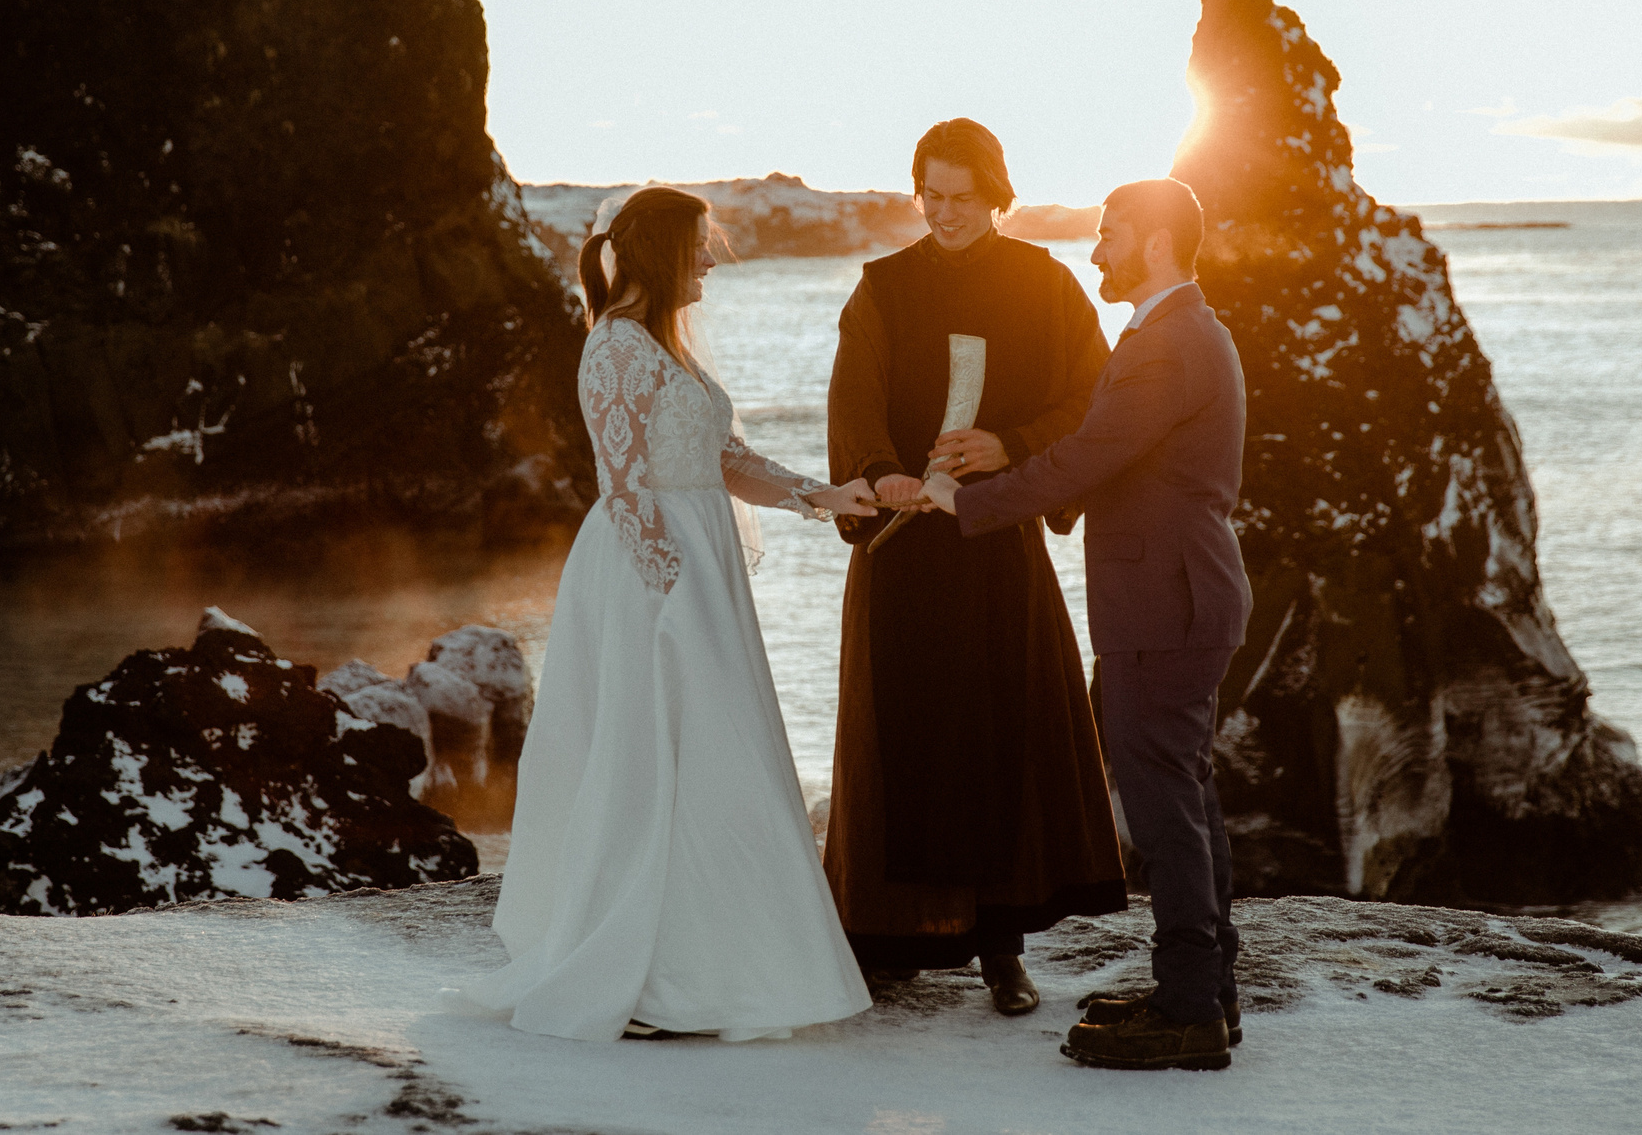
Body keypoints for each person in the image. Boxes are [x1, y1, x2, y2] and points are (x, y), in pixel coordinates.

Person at [449, 187, 880, 1042]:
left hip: (700, 561)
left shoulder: (667, 348)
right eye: (701, 247)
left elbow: (723, 458)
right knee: (648, 760)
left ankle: (710, 962)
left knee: (716, 756)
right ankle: (643, 975)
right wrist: (669, 586)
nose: (714, 260)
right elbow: (624, 482)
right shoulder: (612, 347)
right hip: (652, 572)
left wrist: (823, 496)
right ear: (660, 253)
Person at [923, 177, 1251, 1071]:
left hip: (1165, 603)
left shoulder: (1165, 343)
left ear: (1152, 242)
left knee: (1165, 807)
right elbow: (1105, 458)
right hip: (1181, 596)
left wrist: (964, 502)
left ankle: (1189, 1010)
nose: (1096, 250)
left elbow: (1084, 457)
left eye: (1110, 236)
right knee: (1186, 791)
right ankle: (1207, 991)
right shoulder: (1175, 330)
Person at [822, 119, 1127, 1017]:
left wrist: (1012, 443)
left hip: (998, 547)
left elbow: (1094, 399)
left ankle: (1002, 948)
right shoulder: (881, 288)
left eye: (963, 196)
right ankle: (884, 939)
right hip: (903, 552)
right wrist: (884, 474)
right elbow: (856, 400)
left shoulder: (1047, 284)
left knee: (1002, 734)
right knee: (901, 731)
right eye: (932, 194)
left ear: (998, 195)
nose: (946, 212)